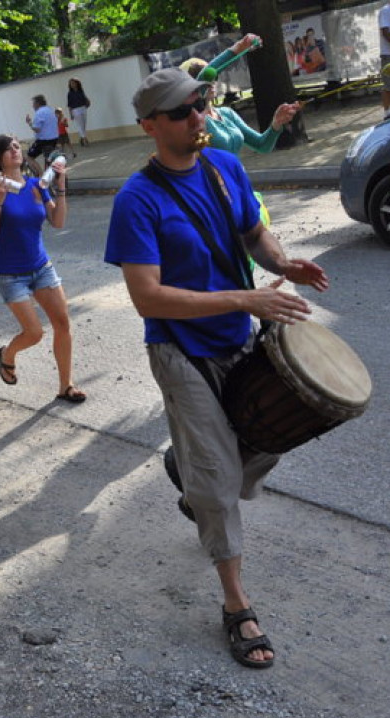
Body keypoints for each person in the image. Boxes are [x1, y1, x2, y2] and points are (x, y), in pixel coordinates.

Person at [103, 68, 329, 669]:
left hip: (238, 337)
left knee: (272, 439)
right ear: (150, 125)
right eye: (181, 112)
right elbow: (148, 298)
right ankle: (236, 603)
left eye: (200, 104)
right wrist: (247, 299)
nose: (198, 117)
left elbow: (256, 236)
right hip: (180, 350)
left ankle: (195, 475)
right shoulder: (135, 200)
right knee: (219, 483)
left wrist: (285, 262)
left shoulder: (226, 168)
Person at [0, 135, 85, 404]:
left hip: (41, 267)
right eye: (7, 148)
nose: (14, 150)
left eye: (16, 146)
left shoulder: (38, 185)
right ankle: (8, 354)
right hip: (10, 273)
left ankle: (65, 386)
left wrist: (60, 186)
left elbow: (58, 221)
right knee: (34, 333)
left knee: (62, 324)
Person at [180, 34, 301, 156]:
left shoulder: (227, 114)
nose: (210, 82)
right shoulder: (192, 118)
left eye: (214, 76)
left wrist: (276, 124)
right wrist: (237, 48)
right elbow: (205, 76)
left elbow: (262, 145)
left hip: (235, 175)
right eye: (206, 79)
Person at [25, 95, 59, 176]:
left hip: (43, 140)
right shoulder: (50, 110)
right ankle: (51, 175)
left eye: (33, 104)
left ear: (37, 103)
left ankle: (41, 176)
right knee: (48, 158)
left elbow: (37, 129)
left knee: (29, 157)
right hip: (54, 138)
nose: (32, 106)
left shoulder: (39, 113)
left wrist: (29, 123)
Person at [67, 79, 91, 147]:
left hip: (83, 108)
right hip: (75, 110)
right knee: (80, 125)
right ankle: (85, 139)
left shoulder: (81, 91)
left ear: (77, 83)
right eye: (71, 83)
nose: (72, 85)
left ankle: (81, 138)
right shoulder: (70, 93)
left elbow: (85, 98)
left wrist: (88, 102)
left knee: (83, 125)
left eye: (73, 83)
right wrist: (70, 114)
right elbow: (69, 105)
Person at [381, 3, 390, 118]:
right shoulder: (385, 10)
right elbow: (385, 32)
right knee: (388, 85)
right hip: (388, 54)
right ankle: (387, 113)